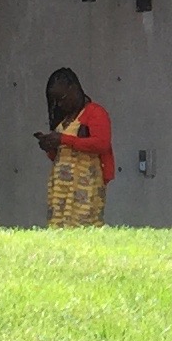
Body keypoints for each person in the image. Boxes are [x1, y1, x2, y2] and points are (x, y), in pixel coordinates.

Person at [36, 67, 115, 227]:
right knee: (58, 228)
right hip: (61, 186)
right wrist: (50, 146)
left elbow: (101, 143)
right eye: (55, 101)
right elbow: (59, 155)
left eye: (62, 98)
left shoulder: (94, 112)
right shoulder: (65, 118)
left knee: (83, 228)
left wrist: (64, 139)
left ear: (74, 88)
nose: (59, 104)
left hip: (85, 184)